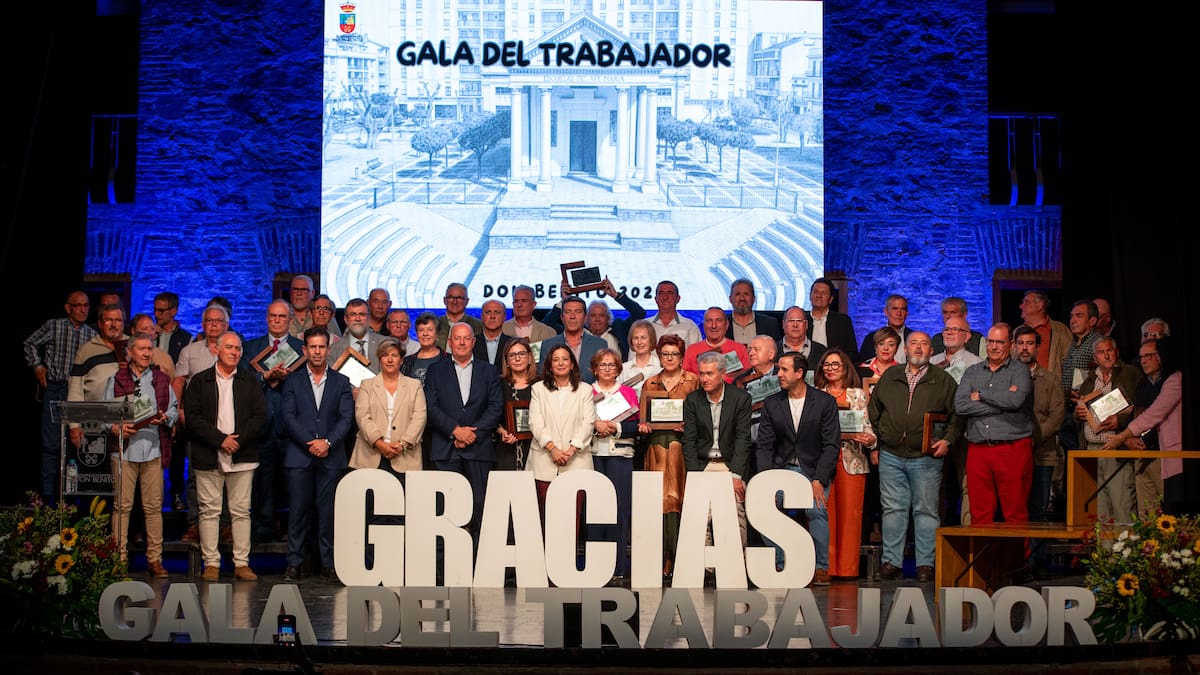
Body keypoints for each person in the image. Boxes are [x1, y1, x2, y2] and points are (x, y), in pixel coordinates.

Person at [868, 331, 959, 582]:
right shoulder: (890, 377)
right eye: (913, 344)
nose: (918, 348)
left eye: (924, 344)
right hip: (891, 455)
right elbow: (873, 412)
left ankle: (925, 564)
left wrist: (947, 441)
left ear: (932, 350)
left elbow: (957, 415)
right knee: (893, 510)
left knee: (927, 511)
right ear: (905, 351)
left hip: (926, 457)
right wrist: (876, 444)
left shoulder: (943, 380)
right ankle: (891, 562)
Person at [183, 330, 267, 581]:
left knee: (241, 511)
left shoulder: (250, 380)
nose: (234, 352)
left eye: (238, 348)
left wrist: (236, 441)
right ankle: (211, 563)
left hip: (243, 454)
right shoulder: (199, 381)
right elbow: (193, 418)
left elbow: (260, 416)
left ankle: (241, 563)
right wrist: (221, 440)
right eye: (229, 347)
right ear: (216, 350)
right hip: (208, 454)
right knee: (209, 511)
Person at [755, 351, 840, 584]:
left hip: (812, 470)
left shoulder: (824, 402)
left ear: (799, 373)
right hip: (781, 470)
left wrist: (818, 480)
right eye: (778, 369)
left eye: (783, 370)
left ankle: (821, 567)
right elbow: (764, 446)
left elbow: (831, 446)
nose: (778, 374)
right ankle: (782, 564)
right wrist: (767, 482)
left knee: (816, 509)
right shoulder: (773, 403)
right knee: (764, 507)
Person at [281, 327, 355, 582]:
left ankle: (329, 564)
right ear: (305, 350)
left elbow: (346, 418)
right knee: (298, 513)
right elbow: (288, 417)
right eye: (312, 347)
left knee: (329, 514)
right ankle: (294, 563)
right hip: (300, 456)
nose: (317, 351)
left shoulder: (341, 382)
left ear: (327, 349)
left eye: (321, 347)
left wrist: (328, 442)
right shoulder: (291, 381)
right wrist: (309, 442)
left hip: (331, 457)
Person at [423, 322, 503, 547]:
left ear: (473, 342)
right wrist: (455, 431)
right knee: (445, 509)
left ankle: (479, 558)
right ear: (449, 343)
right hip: (445, 449)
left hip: (479, 450)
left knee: (480, 506)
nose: (461, 342)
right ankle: (444, 562)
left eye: (466, 338)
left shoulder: (488, 371)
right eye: (456, 338)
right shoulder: (436, 371)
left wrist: (472, 434)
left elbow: (495, 407)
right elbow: (431, 406)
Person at [105, 332, 178, 576]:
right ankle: (119, 559)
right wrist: (116, 428)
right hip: (124, 452)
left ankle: (154, 559)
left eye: (150, 349)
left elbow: (174, 409)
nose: (147, 353)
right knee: (122, 507)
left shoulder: (161, 378)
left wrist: (166, 417)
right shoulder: (116, 379)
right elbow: (106, 416)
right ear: (130, 352)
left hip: (153, 448)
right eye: (142, 349)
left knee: (153, 507)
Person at [682, 350, 752, 578]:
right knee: (699, 517)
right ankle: (707, 569)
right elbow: (689, 441)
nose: (704, 379)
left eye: (710, 374)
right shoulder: (693, 400)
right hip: (703, 465)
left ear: (723, 374)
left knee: (736, 515)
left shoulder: (740, 399)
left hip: (728, 465)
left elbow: (743, 438)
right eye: (701, 374)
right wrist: (694, 476)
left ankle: (735, 565)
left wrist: (736, 475)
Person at [955, 323, 1034, 527]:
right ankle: (983, 560)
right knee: (980, 513)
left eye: (1000, 342)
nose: (994, 346)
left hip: (1012, 447)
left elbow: (1016, 401)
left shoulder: (1020, 371)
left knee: (1015, 511)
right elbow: (961, 406)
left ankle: (1016, 560)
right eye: (991, 341)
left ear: (1010, 344)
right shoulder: (972, 372)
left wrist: (981, 395)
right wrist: (1001, 404)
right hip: (978, 448)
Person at [240, 299, 305, 543]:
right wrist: (264, 376)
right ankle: (263, 530)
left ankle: (293, 531)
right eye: (273, 316)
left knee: (294, 483)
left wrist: (288, 379)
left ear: (290, 320)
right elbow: (244, 383)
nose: (277, 320)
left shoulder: (301, 349)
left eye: (282, 317)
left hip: (293, 427)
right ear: (267, 318)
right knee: (262, 481)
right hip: (261, 425)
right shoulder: (251, 347)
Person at [23, 290, 96, 503]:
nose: (83, 309)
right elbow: (29, 343)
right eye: (79, 305)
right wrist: (37, 367)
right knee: (51, 444)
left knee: (75, 443)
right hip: (55, 388)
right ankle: (48, 498)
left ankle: (71, 497)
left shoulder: (90, 334)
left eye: (86, 305)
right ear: (68, 308)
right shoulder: (54, 325)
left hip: (78, 392)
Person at [637, 334, 698, 580]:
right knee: (659, 502)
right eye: (665, 354)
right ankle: (663, 557)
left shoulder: (693, 381)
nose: (669, 358)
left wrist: (689, 425)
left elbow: (700, 415)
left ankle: (681, 557)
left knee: (681, 500)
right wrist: (644, 426)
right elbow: (643, 420)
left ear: (682, 357)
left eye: (674, 354)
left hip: (683, 449)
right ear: (659, 356)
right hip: (656, 448)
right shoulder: (650, 383)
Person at [1103, 336, 1184, 515]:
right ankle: (1148, 544)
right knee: (1146, 514)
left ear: (1161, 356)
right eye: (1141, 357)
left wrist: (1124, 437)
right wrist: (1130, 439)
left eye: (1149, 355)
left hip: (1162, 454)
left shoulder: (1173, 380)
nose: (1144, 360)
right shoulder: (1143, 385)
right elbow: (1137, 414)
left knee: (1170, 513)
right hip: (1141, 453)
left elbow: (1155, 414)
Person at [815, 348, 876, 579]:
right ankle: (825, 567)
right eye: (827, 365)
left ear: (845, 368)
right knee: (824, 513)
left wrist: (871, 440)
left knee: (850, 515)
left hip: (852, 459)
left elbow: (867, 427)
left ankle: (847, 569)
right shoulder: (816, 394)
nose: (831, 369)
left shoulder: (857, 394)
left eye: (836, 365)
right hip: (823, 460)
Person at [172, 303, 229, 542]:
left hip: (227, 421)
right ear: (203, 325)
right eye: (209, 321)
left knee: (227, 474)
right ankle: (195, 524)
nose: (214, 325)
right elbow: (179, 382)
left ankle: (225, 526)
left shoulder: (234, 347)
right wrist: (179, 410)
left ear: (227, 325)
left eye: (219, 321)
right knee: (196, 475)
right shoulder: (190, 351)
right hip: (197, 422)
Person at [1013, 324, 1066, 578]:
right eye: (1020, 343)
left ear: (1037, 347)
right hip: (1012, 453)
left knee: (1038, 509)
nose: (1025, 348)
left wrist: (1032, 439)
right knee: (1015, 507)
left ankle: (1038, 561)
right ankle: (1016, 561)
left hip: (1041, 453)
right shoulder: (1007, 376)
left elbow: (1057, 415)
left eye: (1029, 343)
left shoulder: (1050, 379)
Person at [1074, 335, 1143, 524]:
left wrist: (1120, 420)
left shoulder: (1129, 374)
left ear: (1116, 352)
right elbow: (1079, 411)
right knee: (1101, 507)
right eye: (1101, 352)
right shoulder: (1089, 380)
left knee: (1122, 503)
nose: (1106, 356)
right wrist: (1078, 412)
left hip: (1116, 447)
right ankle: (1105, 553)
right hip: (1091, 449)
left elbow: (1141, 408)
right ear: (1095, 357)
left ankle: (1125, 552)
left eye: (1109, 351)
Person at [527, 344, 596, 534]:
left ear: (572, 364)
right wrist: (552, 448)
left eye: (565, 359)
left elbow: (588, 423)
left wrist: (571, 450)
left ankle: (567, 561)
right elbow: (535, 422)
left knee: (571, 518)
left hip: (576, 462)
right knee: (545, 516)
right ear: (549, 365)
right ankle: (544, 561)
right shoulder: (538, 389)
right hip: (544, 461)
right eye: (556, 359)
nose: (561, 363)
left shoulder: (585, 390)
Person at [589, 348, 639, 584]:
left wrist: (615, 428)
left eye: (611, 365)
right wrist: (595, 425)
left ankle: (618, 566)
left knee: (620, 510)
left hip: (621, 456)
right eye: (602, 365)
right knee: (596, 510)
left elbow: (636, 425)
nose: (607, 369)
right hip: (594, 456)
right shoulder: (586, 393)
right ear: (595, 368)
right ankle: (596, 565)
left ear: (619, 368)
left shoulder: (628, 393)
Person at [931, 313, 984, 525]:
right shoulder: (933, 362)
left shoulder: (977, 364)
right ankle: (936, 536)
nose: (950, 333)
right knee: (936, 484)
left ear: (967, 336)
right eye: (947, 329)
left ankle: (967, 531)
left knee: (967, 483)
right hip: (935, 431)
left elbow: (977, 398)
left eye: (956, 329)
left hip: (965, 430)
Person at [351, 336, 427, 480]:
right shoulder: (367, 385)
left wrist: (402, 444)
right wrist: (379, 443)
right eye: (385, 355)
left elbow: (419, 418)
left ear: (402, 360)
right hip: (370, 456)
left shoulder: (414, 385)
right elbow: (362, 416)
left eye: (394, 355)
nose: (390, 360)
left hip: (405, 457)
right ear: (379, 359)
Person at [1059, 300, 1101, 458]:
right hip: (1069, 407)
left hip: (1086, 410)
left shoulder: (1096, 342)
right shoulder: (1074, 343)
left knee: (1081, 456)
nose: (1073, 320)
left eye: (1079, 316)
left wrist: (1084, 394)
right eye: (1071, 316)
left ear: (1092, 320)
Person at [539, 295, 607, 383]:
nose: (572, 316)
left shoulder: (599, 345)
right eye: (568, 312)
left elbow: (603, 378)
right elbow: (542, 377)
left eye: (578, 312)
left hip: (590, 395)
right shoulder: (548, 345)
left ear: (585, 317)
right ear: (562, 317)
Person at [496, 338, 538, 471]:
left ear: (530, 357)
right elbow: (491, 414)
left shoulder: (542, 384)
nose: (517, 359)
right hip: (506, 449)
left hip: (537, 448)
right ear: (507, 361)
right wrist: (502, 431)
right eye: (512, 355)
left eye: (521, 354)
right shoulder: (497, 384)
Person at [682, 307, 750, 384]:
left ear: (727, 324)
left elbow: (747, 378)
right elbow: (686, 380)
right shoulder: (692, 350)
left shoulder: (739, 349)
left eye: (719, 320)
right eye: (709, 321)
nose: (714, 326)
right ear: (704, 325)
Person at [1018, 289, 1070, 383]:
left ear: (1040, 305)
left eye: (1026, 302)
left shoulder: (1060, 330)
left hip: (1051, 388)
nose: (1021, 306)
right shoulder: (1017, 332)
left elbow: (1069, 361)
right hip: (1022, 387)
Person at [808, 277, 858, 362]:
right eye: (816, 292)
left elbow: (852, 352)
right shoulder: (801, 320)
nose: (819, 296)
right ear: (810, 296)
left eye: (824, 293)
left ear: (831, 299)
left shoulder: (842, 321)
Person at [328, 297, 383, 374]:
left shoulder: (384, 344)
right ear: (346, 319)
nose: (357, 318)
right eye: (353, 314)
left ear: (369, 318)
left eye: (362, 314)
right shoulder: (334, 349)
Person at [859, 294, 914, 365]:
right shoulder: (871, 338)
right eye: (895, 308)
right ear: (886, 312)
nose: (899, 313)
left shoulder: (913, 338)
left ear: (907, 313)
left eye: (902, 309)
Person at [726, 278, 782, 346]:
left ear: (754, 299)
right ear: (730, 299)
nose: (742, 298)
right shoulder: (721, 324)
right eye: (737, 294)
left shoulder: (770, 324)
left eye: (746, 294)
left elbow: (775, 350)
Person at [648, 280, 702, 347]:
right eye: (661, 293)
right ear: (656, 299)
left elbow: (697, 355)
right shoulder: (645, 326)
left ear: (678, 299)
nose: (665, 297)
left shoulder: (690, 326)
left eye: (670, 293)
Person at [435, 282, 483, 349]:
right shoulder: (434, 324)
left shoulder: (479, 326)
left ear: (467, 301)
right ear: (445, 300)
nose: (454, 302)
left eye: (459, 298)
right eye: (451, 297)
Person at [620, 319, 661, 396]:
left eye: (643, 337)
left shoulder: (660, 367)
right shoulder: (623, 369)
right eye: (635, 338)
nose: (639, 342)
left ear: (651, 340)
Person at [128, 312, 176, 377]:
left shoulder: (165, 358)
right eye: (145, 329)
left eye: (152, 329)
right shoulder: (125, 354)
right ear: (133, 331)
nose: (149, 333)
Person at [473, 299, 514, 372]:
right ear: (482, 316)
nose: (492, 316)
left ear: (504, 317)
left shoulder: (513, 343)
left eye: (497, 312)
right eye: (488, 312)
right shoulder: (471, 342)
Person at [152, 291, 192, 363]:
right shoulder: (150, 334)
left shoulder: (186, 338)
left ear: (173, 311)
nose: (156, 314)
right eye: (155, 310)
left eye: (161, 311)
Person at [286, 274, 319, 339]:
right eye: (295, 289)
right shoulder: (281, 315)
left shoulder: (323, 316)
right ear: (290, 292)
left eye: (304, 290)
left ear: (312, 293)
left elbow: (338, 345)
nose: (299, 293)